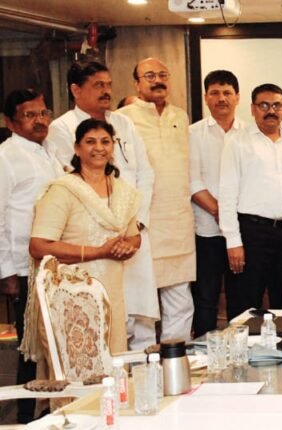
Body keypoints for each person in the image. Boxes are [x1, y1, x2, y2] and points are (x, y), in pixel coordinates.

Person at [45, 61, 157, 351]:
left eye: (108, 85)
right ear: (75, 90)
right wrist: (107, 226)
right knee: (100, 323)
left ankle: (142, 375)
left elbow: (145, 173)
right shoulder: (61, 128)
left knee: (141, 316)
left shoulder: (123, 122)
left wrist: (136, 223)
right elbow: (70, 180)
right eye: (98, 85)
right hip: (91, 239)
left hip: (131, 231)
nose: (106, 91)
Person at [27, 119, 143, 356]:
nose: (99, 148)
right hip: (72, 296)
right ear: (77, 148)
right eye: (90, 142)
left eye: (105, 142)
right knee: (80, 363)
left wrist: (126, 247)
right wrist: (98, 252)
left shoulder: (123, 191)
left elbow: (134, 237)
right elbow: (38, 246)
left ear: (112, 147)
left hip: (111, 294)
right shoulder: (63, 191)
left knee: (112, 360)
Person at [118, 57, 195, 343]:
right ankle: (143, 361)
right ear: (136, 83)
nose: (157, 80)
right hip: (143, 222)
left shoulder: (180, 116)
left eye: (163, 74)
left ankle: (176, 359)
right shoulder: (123, 118)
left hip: (178, 220)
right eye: (149, 76)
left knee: (180, 297)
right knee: (142, 300)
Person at [219, 83, 282, 316]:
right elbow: (227, 193)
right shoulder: (237, 141)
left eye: (277, 105)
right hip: (253, 234)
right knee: (245, 304)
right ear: (252, 109)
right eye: (264, 105)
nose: (271, 111)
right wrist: (233, 242)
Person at [0, 89, 64, 423]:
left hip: (56, 263)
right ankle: (26, 417)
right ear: (10, 122)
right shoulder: (6, 157)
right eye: (29, 115)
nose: (39, 120)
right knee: (30, 347)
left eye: (43, 113)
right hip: (24, 266)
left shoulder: (50, 150)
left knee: (54, 340)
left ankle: (53, 408)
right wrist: (6, 272)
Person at [189, 70, 244, 334]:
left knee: (241, 297)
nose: (221, 98)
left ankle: (242, 349)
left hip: (242, 232)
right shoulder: (192, 134)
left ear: (237, 97)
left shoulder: (250, 133)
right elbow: (192, 180)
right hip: (206, 229)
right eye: (215, 93)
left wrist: (233, 217)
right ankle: (204, 351)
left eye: (227, 93)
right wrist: (221, 212)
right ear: (205, 97)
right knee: (206, 297)